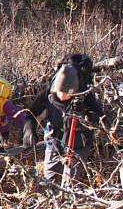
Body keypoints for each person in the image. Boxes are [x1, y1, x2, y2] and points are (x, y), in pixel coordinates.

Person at [23, 55, 105, 184]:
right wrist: (29, 130)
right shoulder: (49, 93)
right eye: (59, 91)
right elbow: (30, 114)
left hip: (79, 144)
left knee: (69, 183)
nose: (62, 96)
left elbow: (99, 116)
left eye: (67, 93)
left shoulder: (84, 95)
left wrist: (85, 114)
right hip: (54, 141)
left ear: (75, 91)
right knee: (50, 182)